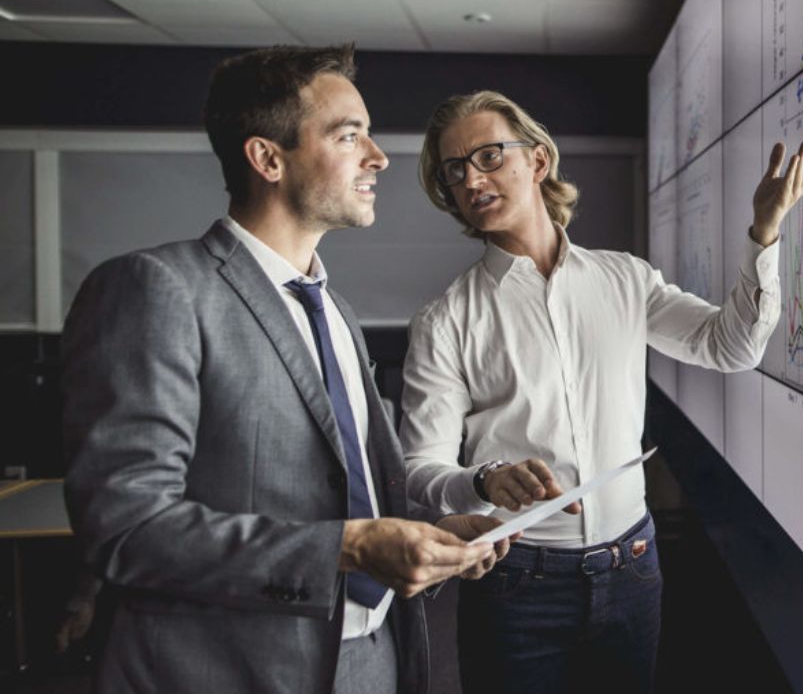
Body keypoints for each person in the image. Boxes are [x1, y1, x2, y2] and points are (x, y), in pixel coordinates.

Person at [61, 44, 514, 694]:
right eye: (349, 135)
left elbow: (342, 486)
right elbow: (126, 527)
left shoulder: (333, 309)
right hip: (235, 670)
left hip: (375, 655)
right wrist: (348, 549)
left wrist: (433, 532)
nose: (378, 157)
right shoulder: (156, 288)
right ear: (268, 159)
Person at [398, 89, 803, 693]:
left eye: (489, 157)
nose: (472, 179)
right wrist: (485, 480)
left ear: (538, 160)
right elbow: (420, 468)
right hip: (517, 583)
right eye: (454, 170)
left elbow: (732, 347)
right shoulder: (446, 320)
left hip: (632, 570)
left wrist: (764, 233)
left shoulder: (625, 278)